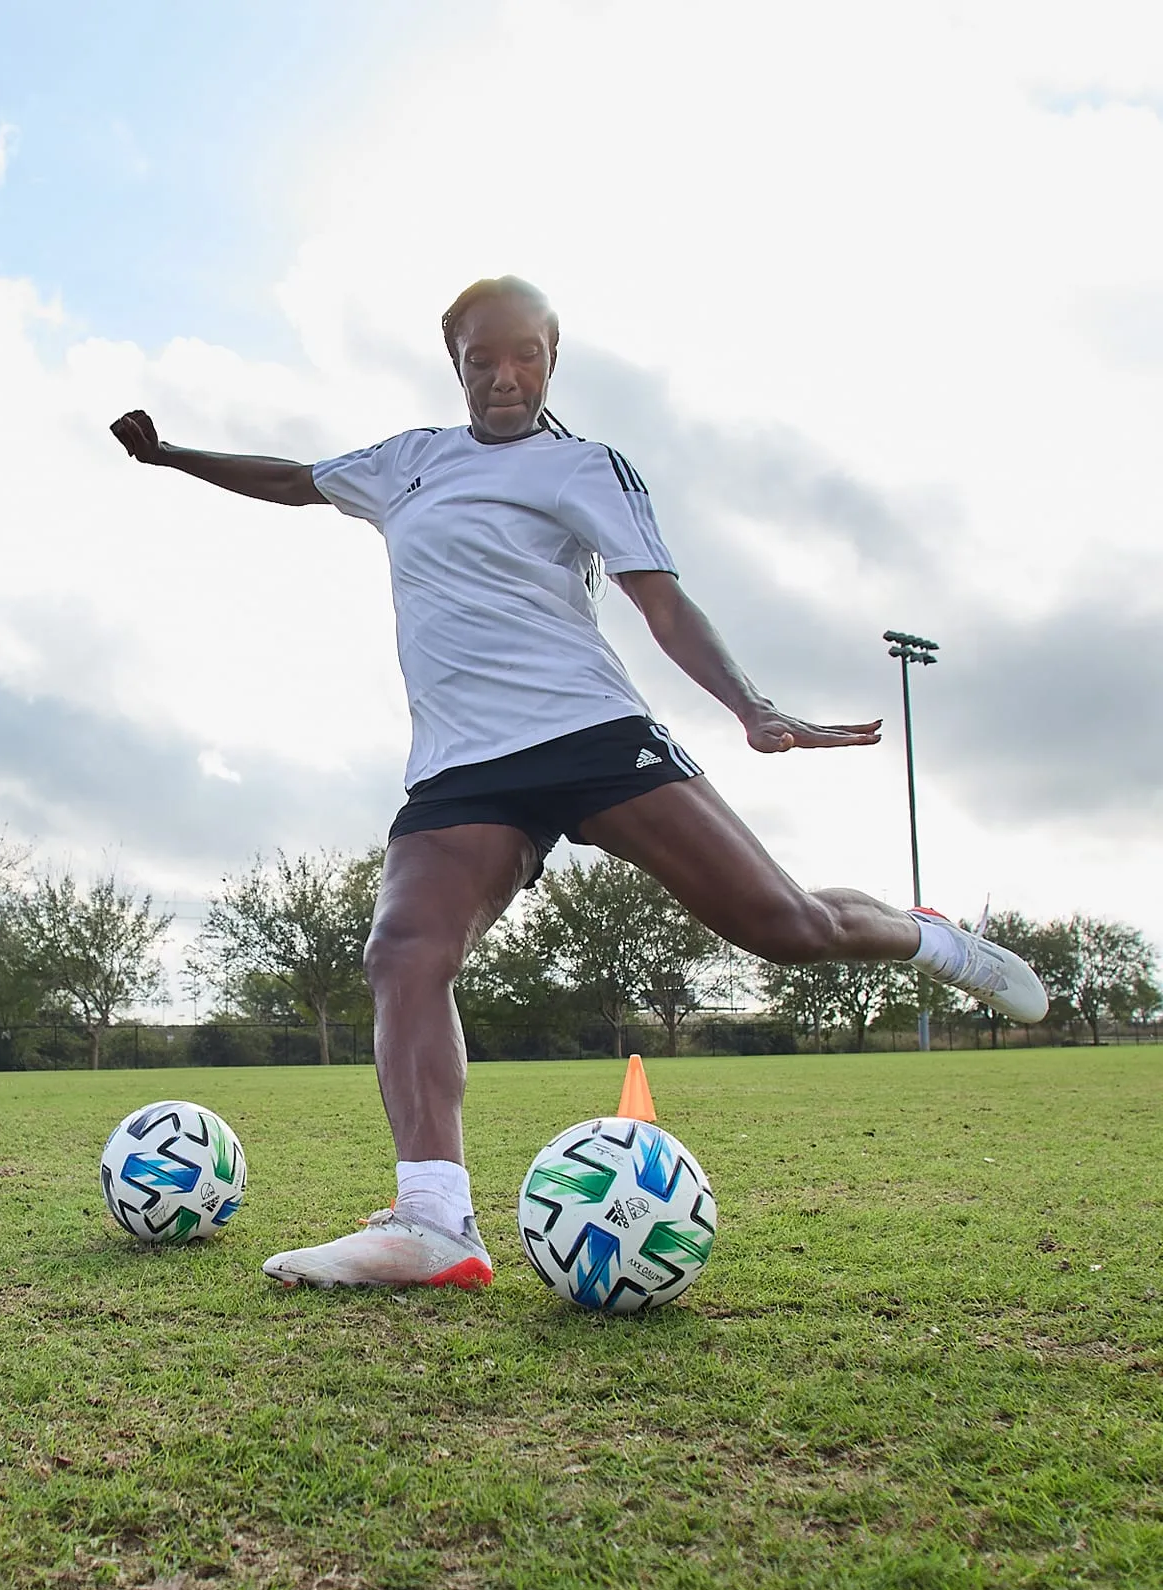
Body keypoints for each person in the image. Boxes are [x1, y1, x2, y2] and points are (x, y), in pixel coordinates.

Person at [110, 275, 1048, 1292]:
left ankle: (932, 935)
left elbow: (662, 602)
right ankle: (433, 1221)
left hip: (587, 733)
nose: (505, 377)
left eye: (526, 356)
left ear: (554, 356)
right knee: (404, 949)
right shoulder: (407, 464)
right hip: (464, 766)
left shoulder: (587, 467)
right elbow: (297, 478)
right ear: (455, 361)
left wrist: (751, 705)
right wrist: (169, 457)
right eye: (482, 359)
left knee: (785, 927)